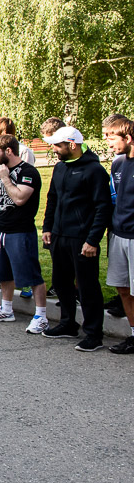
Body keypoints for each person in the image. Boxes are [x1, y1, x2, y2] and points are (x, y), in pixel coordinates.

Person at [41, 126, 113, 351]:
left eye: (57, 145)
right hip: (59, 235)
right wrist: (47, 227)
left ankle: (93, 334)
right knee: (61, 282)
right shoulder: (60, 168)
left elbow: (103, 208)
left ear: (72, 144)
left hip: (82, 238)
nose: (54, 149)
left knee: (87, 286)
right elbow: (52, 199)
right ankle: (67, 323)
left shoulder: (95, 171)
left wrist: (92, 240)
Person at [0, 134, 49, 333]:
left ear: (8, 151)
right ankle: (6, 309)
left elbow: (20, 198)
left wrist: (5, 178)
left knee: (31, 275)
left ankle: (41, 316)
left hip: (21, 232)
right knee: (3, 274)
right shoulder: (0, 170)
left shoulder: (28, 172)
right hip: (1, 231)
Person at [104, 117, 134, 353]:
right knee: (123, 288)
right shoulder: (118, 164)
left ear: (128, 138)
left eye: (112, 138)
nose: (109, 143)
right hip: (118, 234)